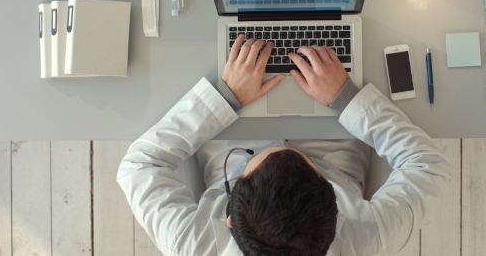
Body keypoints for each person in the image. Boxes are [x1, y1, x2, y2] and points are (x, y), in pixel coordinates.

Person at [117, 36, 451, 256]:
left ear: (229, 219)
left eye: (256, 166)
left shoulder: (191, 244)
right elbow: (429, 166)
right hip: (334, 134)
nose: (282, 145)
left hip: (230, 130)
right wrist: (345, 98)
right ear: (335, 210)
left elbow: (139, 165)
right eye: (304, 164)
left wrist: (224, 98)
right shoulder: (368, 239)